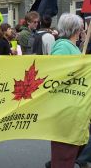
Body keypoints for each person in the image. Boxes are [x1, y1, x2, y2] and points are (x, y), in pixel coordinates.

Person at [45, 13, 84, 168]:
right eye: (80, 27)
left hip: (74, 106)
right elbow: (55, 74)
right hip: (65, 108)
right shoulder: (62, 46)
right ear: (76, 29)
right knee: (64, 153)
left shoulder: (72, 46)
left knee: (74, 146)